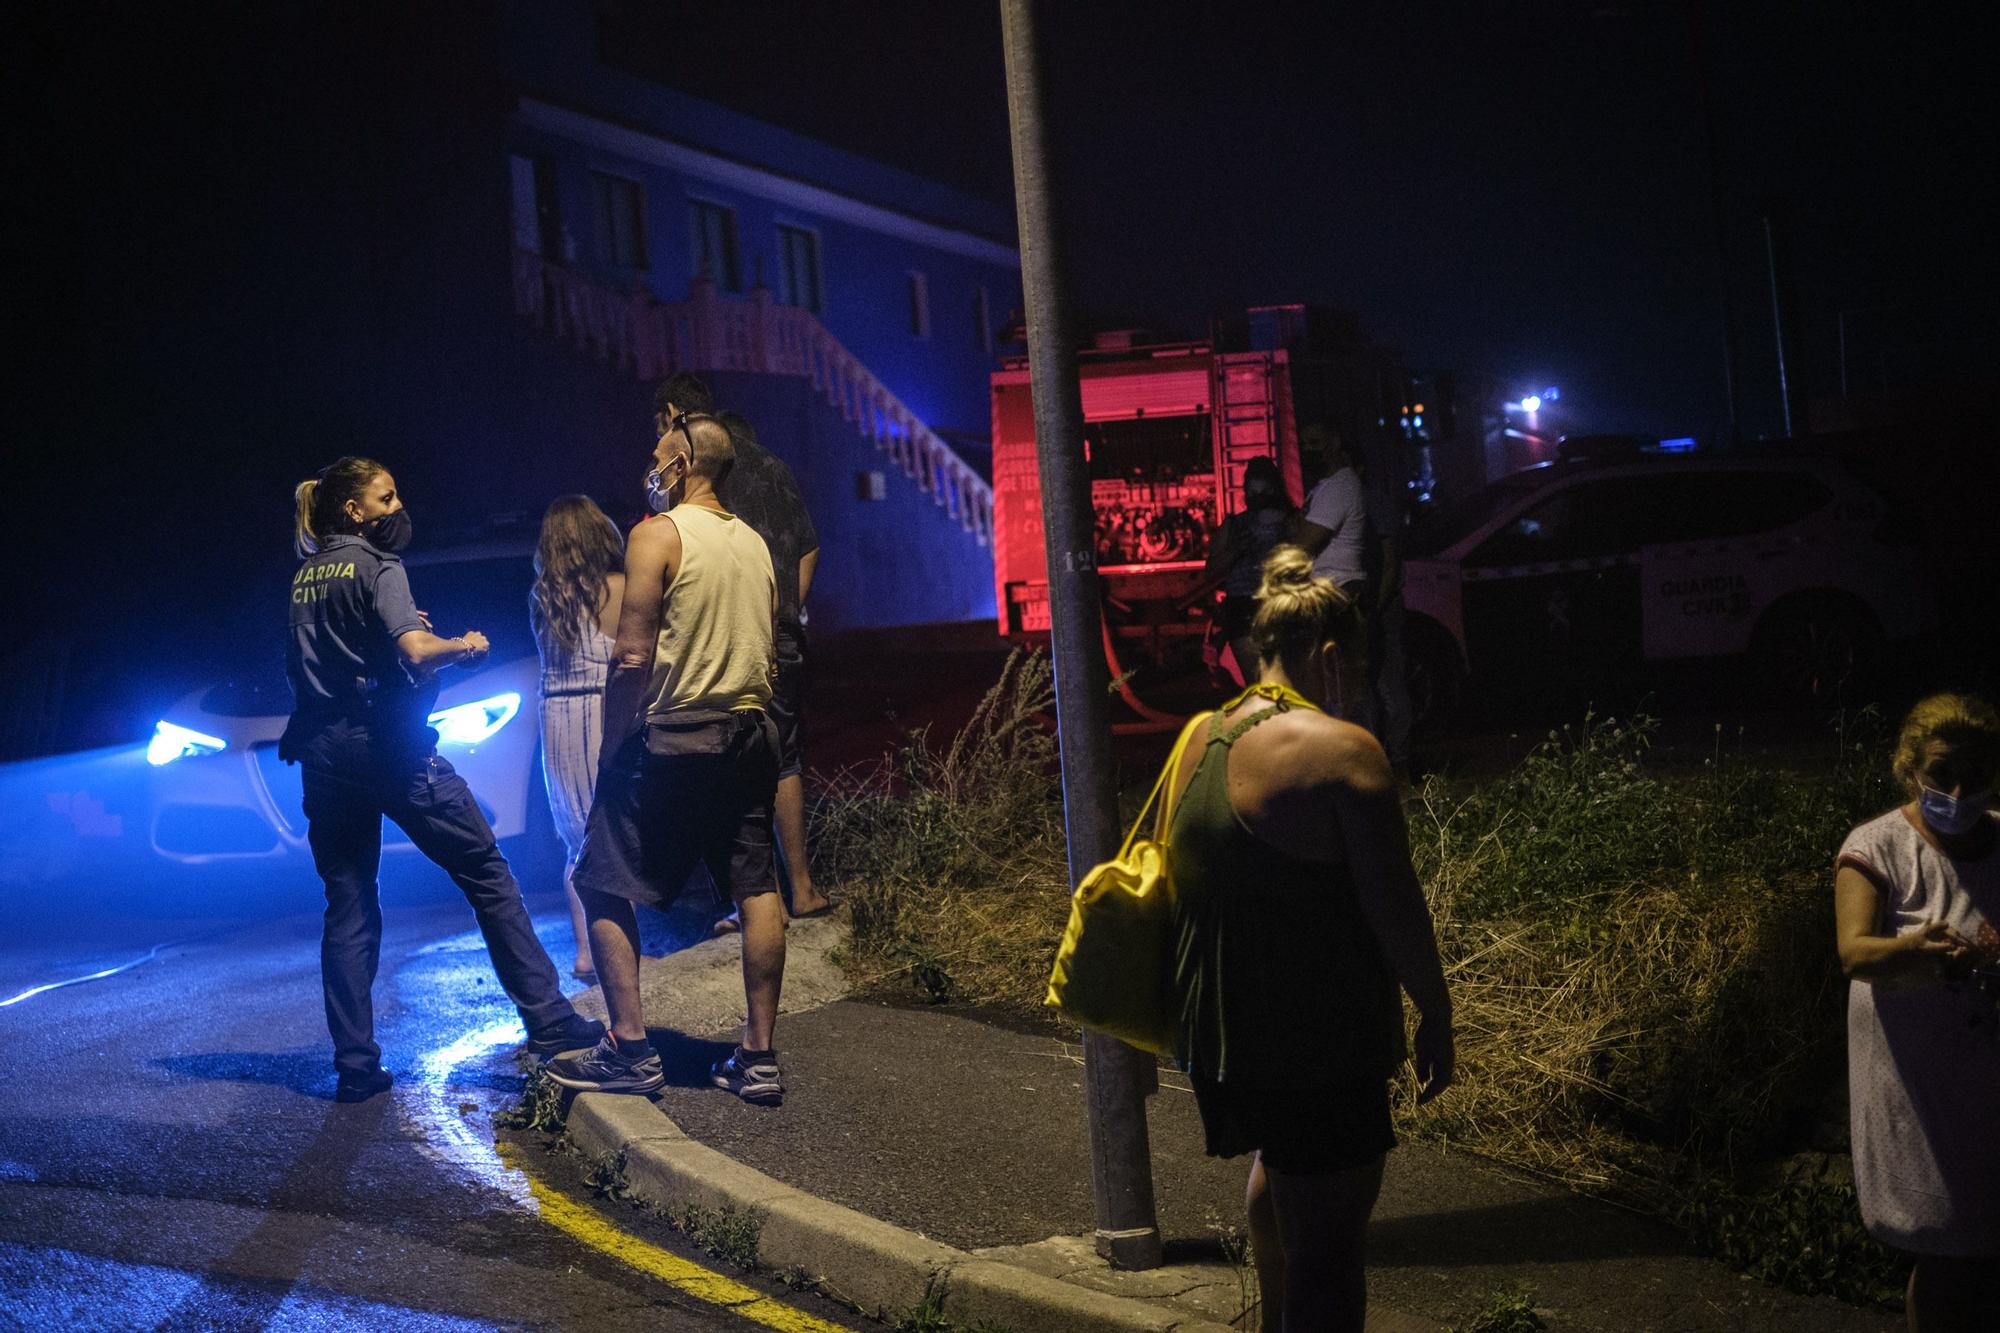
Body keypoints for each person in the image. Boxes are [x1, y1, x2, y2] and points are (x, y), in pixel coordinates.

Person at [1165, 545, 1454, 1332]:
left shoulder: (1203, 737)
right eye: (1358, 673)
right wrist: (1436, 1010)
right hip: (1317, 1042)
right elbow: (1397, 910)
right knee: (1329, 1255)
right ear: (1330, 659)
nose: (1359, 691)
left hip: (1231, 1043)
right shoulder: (1339, 753)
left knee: (1278, 1190)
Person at [283, 457, 602, 1103]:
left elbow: (333, 662)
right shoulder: (379, 565)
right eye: (387, 495)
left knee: (348, 902)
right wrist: (465, 644)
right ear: (355, 510)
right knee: (488, 873)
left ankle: (355, 1065)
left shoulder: (304, 577)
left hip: (325, 756)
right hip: (390, 750)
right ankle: (549, 1019)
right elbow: (412, 652)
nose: (398, 506)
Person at [543, 414, 787, 1103]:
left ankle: (627, 1045)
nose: (650, 469)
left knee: (597, 872)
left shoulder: (657, 536)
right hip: (751, 731)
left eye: (658, 457)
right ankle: (758, 1056)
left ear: (683, 466)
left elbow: (630, 656)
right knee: (756, 886)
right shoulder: (756, 544)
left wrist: (613, 743)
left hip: (677, 735)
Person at [1834, 692, 2000, 1330]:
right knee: (1949, 1249)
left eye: (1976, 776)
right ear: (1911, 770)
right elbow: (1854, 953)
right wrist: (1913, 949)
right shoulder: (1876, 848)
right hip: (1922, 1091)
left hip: (1987, 1073)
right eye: (1941, 775)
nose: (1958, 792)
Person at [655, 371, 829, 927]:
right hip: (780, 631)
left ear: (675, 415)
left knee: (728, 755)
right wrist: (785, 610)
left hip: (725, 631)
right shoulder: (771, 465)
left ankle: (754, 897)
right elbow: (808, 547)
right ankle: (801, 889)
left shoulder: (700, 474)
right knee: (785, 754)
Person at [529, 495, 626, 980]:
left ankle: (586, 951)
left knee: (575, 841)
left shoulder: (543, 598)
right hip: (598, 713)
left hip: (556, 720)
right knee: (608, 839)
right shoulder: (615, 590)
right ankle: (617, 953)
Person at [1183, 456, 1304, 687]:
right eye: (1253, 492)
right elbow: (1212, 571)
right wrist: (1236, 550)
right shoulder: (1234, 525)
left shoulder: (1292, 520)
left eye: (1264, 492)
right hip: (1245, 611)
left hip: (1281, 608)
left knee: (1285, 685)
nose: (1258, 499)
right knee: (1261, 688)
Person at [1295, 427, 1372, 723]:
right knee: (1330, 687)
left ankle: (1364, 762)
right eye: (1302, 443)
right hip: (1330, 595)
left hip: (1341, 594)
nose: (1306, 450)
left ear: (1334, 443)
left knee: (1346, 690)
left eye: (1313, 442)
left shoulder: (1340, 486)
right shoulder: (1324, 487)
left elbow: (1303, 540)